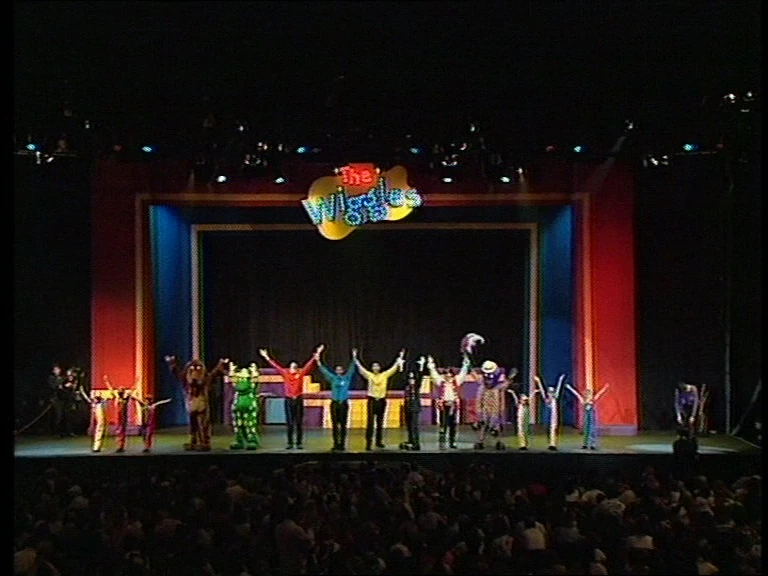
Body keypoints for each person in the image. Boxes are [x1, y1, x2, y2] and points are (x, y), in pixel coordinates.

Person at [260, 345, 324, 450]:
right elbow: (275, 366)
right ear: (289, 368)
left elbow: (309, 365)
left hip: (298, 400)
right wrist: (266, 357)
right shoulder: (285, 373)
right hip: (289, 400)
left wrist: (317, 354)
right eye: (292, 367)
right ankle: (290, 443)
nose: (293, 368)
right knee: (289, 422)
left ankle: (299, 443)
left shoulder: (300, 373)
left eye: (295, 367)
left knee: (298, 422)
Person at [165, 355, 228, 451]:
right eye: (192, 369)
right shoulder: (186, 380)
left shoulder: (205, 379)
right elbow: (178, 373)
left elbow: (213, 374)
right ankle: (194, 441)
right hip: (191, 404)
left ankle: (204, 441)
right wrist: (172, 364)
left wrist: (220, 365)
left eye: (198, 369)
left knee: (203, 424)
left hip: (201, 404)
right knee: (193, 425)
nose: (195, 372)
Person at [353, 348, 405, 451]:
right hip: (372, 400)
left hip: (381, 400)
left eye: (377, 366)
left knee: (380, 422)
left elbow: (394, 367)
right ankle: (368, 443)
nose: (375, 368)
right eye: (374, 366)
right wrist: (355, 357)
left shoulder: (384, 375)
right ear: (372, 368)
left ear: (379, 368)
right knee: (370, 422)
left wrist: (401, 356)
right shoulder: (369, 375)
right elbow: (360, 368)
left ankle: (379, 441)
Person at [314, 348, 356, 451]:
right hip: (335, 403)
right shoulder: (332, 378)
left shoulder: (347, 377)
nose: (339, 371)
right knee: (335, 425)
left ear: (343, 371)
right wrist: (318, 360)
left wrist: (354, 357)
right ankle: (335, 443)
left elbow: (352, 368)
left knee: (343, 425)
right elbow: (323, 370)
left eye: (340, 370)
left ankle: (342, 444)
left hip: (344, 403)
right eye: (337, 370)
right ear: (335, 371)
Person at [428, 353, 471, 449]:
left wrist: (465, 364)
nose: (448, 376)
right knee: (443, 424)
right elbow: (434, 374)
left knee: (453, 424)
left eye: (449, 375)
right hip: (444, 405)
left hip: (453, 405)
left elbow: (463, 373)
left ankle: (452, 442)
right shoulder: (441, 381)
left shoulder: (456, 381)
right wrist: (431, 365)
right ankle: (442, 442)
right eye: (446, 374)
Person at [473, 361, 516, 450]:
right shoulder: (483, 384)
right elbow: (479, 398)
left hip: (495, 407)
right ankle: (480, 441)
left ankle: (498, 441)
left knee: (496, 425)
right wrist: (479, 412)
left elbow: (503, 389)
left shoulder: (498, 384)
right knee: (484, 424)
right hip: (485, 407)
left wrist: (509, 381)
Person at [225, 361, 261, 450]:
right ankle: (239, 440)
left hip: (249, 405)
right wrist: (231, 370)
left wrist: (254, 371)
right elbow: (232, 380)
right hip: (238, 405)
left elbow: (255, 380)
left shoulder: (251, 381)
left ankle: (252, 440)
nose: (242, 376)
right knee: (238, 424)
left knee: (250, 424)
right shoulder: (238, 381)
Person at [103, 375, 141, 453]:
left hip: (123, 417)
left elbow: (132, 389)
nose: (120, 391)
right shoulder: (116, 398)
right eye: (119, 389)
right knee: (118, 431)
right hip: (117, 417)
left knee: (122, 431)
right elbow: (111, 389)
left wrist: (137, 381)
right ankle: (118, 446)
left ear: (123, 392)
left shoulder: (125, 399)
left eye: (122, 390)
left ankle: (121, 446)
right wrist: (106, 381)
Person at [565, 383, 610, 450]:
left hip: (592, 418)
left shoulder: (593, 400)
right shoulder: (583, 401)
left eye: (589, 394)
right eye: (587, 394)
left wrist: (605, 388)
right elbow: (576, 394)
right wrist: (569, 388)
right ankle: (585, 444)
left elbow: (599, 394)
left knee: (592, 431)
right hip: (586, 418)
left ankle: (592, 444)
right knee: (586, 431)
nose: (588, 395)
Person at [534, 374, 566, 450]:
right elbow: (542, 390)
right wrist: (538, 381)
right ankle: (550, 443)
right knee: (548, 429)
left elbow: (558, 388)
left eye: (552, 392)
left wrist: (560, 379)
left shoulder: (555, 398)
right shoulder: (546, 399)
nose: (551, 394)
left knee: (554, 429)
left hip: (554, 417)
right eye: (549, 392)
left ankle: (553, 444)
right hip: (548, 416)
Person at [49, 363, 76, 437]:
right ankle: (57, 432)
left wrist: (70, 382)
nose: (57, 371)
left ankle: (69, 432)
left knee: (68, 415)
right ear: (53, 371)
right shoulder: (51, 378)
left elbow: (69, 382)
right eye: (56, 369)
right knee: (59, 415)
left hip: (65, 399)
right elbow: (54, 387)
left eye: (58, 369)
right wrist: (63, 386)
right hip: (57, 399)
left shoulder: (63, 377)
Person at [508, 385, 538, 450]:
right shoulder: (519, 405)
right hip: (520, 420)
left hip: (526, 420)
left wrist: (534, 392)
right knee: (521, 431)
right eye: (523, 400)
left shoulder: (527, 406)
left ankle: (525, 444)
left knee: (526, 431)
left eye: (525, 400)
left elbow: (531, 398)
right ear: (521, 400)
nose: (524, 401)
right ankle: (522, 445)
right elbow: (515, 398)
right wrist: (512, 393)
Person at [78, 388, 109, 452]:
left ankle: (96, 446)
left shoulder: (100, 403)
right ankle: (96, 446)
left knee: (100, 428)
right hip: (98, 414)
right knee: (100, 427)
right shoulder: (98, 404)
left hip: (98, 412)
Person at [400, 367, 423, 451]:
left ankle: (416, 443)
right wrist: (402, 368)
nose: (411, 380)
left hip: (415, 408)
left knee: (414, 426)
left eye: (412, 378)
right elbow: (402, 377)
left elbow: (420, 376)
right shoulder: (407, 387)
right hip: (408, 407)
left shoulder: (416, 386)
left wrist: (421, 367)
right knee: (409, 426)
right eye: (410, 379)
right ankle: (411, 441)